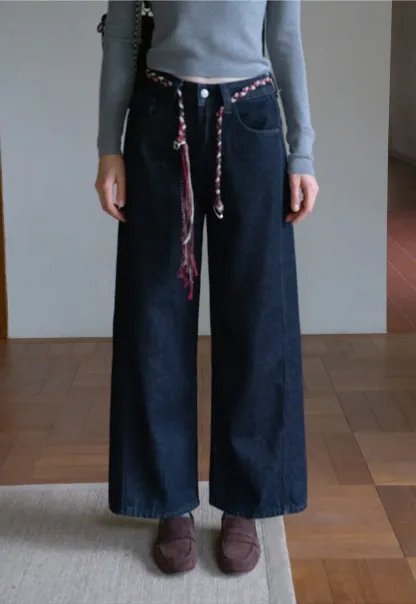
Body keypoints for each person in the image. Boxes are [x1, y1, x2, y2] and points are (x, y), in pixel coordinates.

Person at [95, 0, 318, 576]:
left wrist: (302, 149)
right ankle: (167, 499)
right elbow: (121, 33)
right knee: (154, 318)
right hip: (158, 116)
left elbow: (285, 36)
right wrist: (108, 146)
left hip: (252, 116)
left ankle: (246, 501)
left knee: (258, 320)